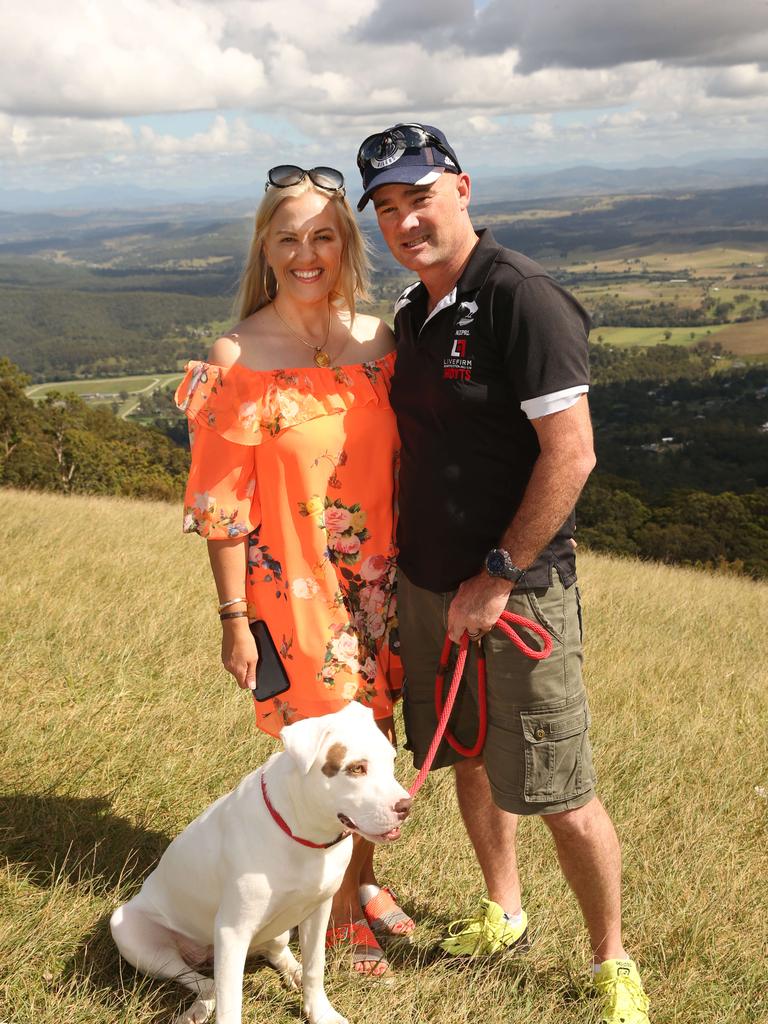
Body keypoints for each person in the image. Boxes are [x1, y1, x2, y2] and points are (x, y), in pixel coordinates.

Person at [355, 124, 651, 1023]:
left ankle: (612, 964)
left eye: (421, 196)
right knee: (469, 756)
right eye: (388, 208)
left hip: (515, 589)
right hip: (428, 584)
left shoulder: (524, 298)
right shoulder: (416, 311)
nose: (406, 220)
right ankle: (505, 910)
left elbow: (573, 454)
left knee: (561, 787)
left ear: (463, 188)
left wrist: (498, 573)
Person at [175, 164, 413, 978]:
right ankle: (338, 914)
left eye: (323, 235)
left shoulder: (382, 339)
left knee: (375, 749)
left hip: (381, 589)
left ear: (344, 244)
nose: (307, 252)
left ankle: (364, 883)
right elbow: (220, 505)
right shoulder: (237, 355)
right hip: (293, 597)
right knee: (329, 755)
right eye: (289, 238)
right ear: (266, 249)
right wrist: (233, 618)